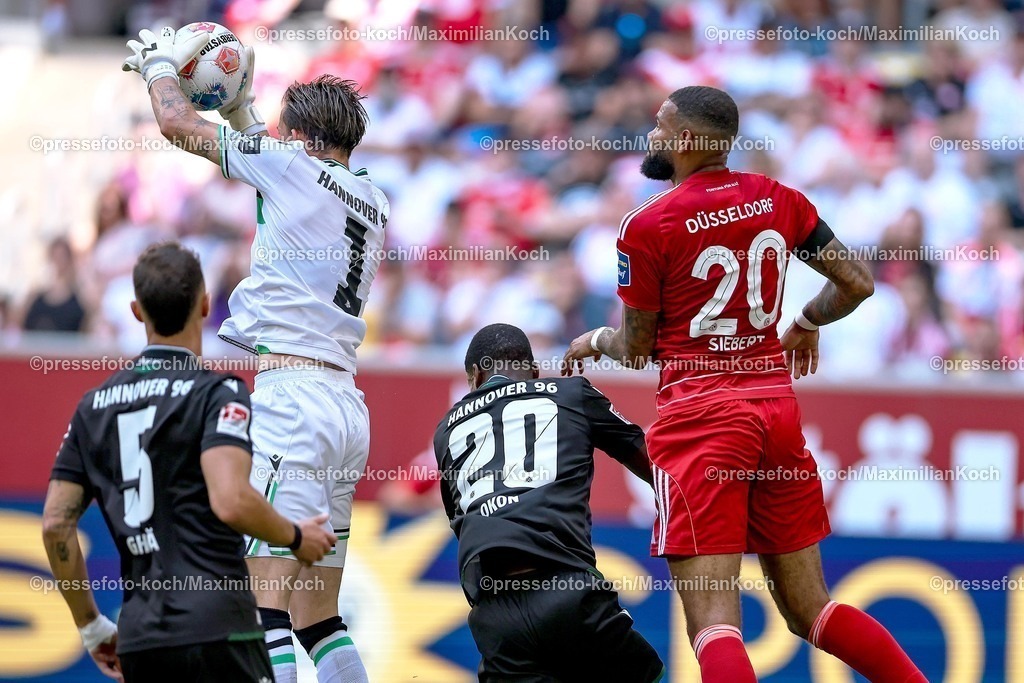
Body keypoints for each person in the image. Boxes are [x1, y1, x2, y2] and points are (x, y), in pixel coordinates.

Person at [563, 86, 926, 683]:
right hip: (775, 411)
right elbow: (858, 282)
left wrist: (594, 341)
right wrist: (806, 321)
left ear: (685, 139)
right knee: (812, 609)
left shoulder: (647, 224)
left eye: (660, 126)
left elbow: (636, 347)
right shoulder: (779, 199)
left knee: (714, 624)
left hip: (700, 421)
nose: (651, 136)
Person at [124, 26, 389, 683]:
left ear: (300, 139)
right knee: (318, 615)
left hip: (292, 401)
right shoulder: (372, 197)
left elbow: (177, 124)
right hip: (345, 408)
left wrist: (159, 66)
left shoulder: (290, 167)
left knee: (260, 600)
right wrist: (242, 107)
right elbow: (279, 167)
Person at [42, 242, 335, 683]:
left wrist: (91, 626)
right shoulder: (217, 394)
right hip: (220, 630)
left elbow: (55, 525)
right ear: (205, 305)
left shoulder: (93, 407)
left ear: (137, 312)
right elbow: (230, 499)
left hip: (141, 640)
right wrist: (294, 536)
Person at [434, 323, 665, 683]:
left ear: (475, 376)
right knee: (649, 675)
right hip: (568, 592)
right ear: (534, 371)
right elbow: (655, 466)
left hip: (495, 616)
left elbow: (461, 520)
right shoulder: (571, 393)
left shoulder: (446, 429)